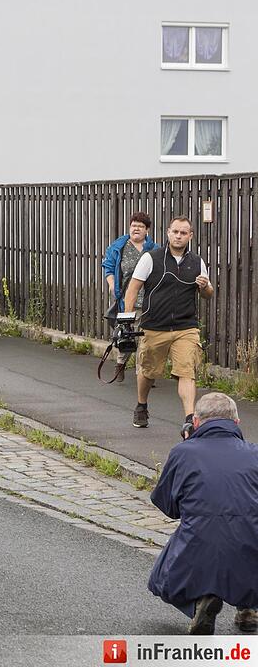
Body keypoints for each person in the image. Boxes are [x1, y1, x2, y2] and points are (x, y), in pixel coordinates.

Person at [147, 392, 258, 635]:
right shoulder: (255, 453)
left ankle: (201, 600)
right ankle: (250, 608)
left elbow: (168, 506)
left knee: (160, 579)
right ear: (237, 423)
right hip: (250, 548)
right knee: (247, 537)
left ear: (196, 422)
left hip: (198, 545)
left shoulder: (182, 452)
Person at [124, 216, 213, 433]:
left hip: (185, 327)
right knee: (148, 371)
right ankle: (142, 405)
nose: (179, 236)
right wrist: (126, 319)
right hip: (155, 326)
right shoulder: (151, 258)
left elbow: (208, 294)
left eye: (183, 233)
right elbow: (133, 288)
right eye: (175, 232)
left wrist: (205, 286)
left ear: (190, 236)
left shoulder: (197, 262)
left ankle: (190, 419)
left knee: (187, 371)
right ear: (168, 233)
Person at [102, 212, 158, 378]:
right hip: (126, 300)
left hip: (148, 301)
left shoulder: (155, 249)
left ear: (147, 230)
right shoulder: (118, 247)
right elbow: (108, 267)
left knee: (145, 339)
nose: (136, 229)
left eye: (140, 226)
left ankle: (143, 374)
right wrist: (112, 285)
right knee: (127, 334)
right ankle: (120, 364)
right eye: (134, 225)